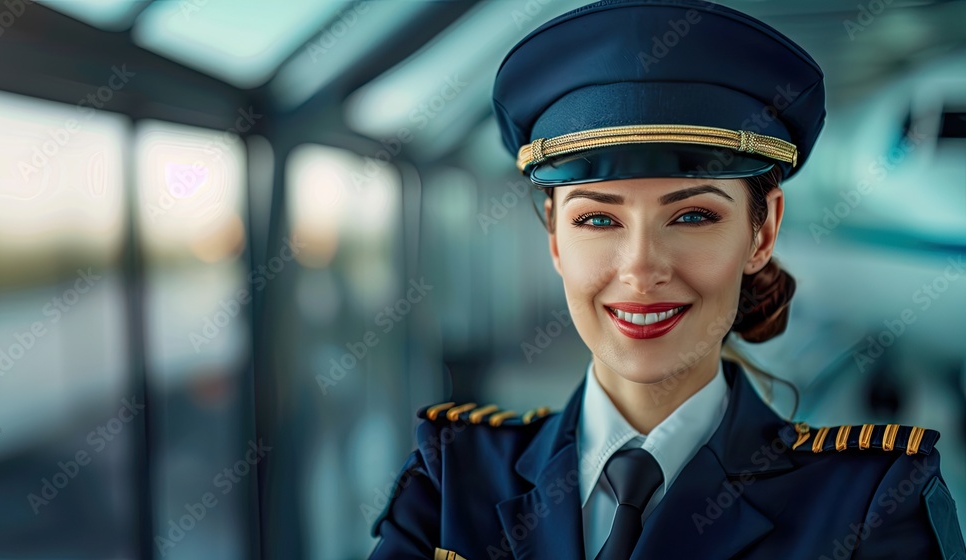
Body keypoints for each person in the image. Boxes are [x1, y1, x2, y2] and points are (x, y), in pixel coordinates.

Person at [367, 0, 966, 558]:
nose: (641, 269)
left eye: (693, 216)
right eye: (598, 218)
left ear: (762, 232)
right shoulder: (446, 482)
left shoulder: (876, 504)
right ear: (554, 237)